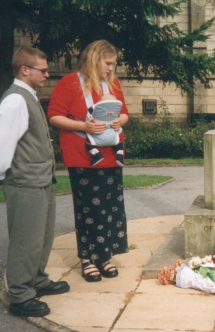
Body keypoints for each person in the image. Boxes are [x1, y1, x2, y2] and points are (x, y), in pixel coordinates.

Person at [0, 47, 70, 317]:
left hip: (40, 179)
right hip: (25, 181)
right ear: (25, 70)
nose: (48, 74)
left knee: (41, 237)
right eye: (43, 70)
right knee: (25, 239)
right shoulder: (15, 100)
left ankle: (37, 280)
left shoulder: (28, 96)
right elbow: (3, 141)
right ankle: (21, 296)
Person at [48, 40, 130, 282]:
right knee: (87, 209)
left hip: (110, 153)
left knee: (111, 209)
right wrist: (83, 125)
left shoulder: (113, 83)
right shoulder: (70, 83)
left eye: (113, 64)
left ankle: (104, 256)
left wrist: (120, 121)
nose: (111, 69)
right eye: (107, 63)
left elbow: (125, 112)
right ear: (95, 60)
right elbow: (54, 115)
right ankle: (87, 258)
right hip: (83, 155)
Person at [84, 93, 125, 167]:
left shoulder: (95, 108)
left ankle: (96, 155)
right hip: (112, 133)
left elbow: (88, 115)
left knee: (88, 143)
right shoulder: (115, 111)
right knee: (119, 141)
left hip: (98, 133)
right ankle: (120, 155)